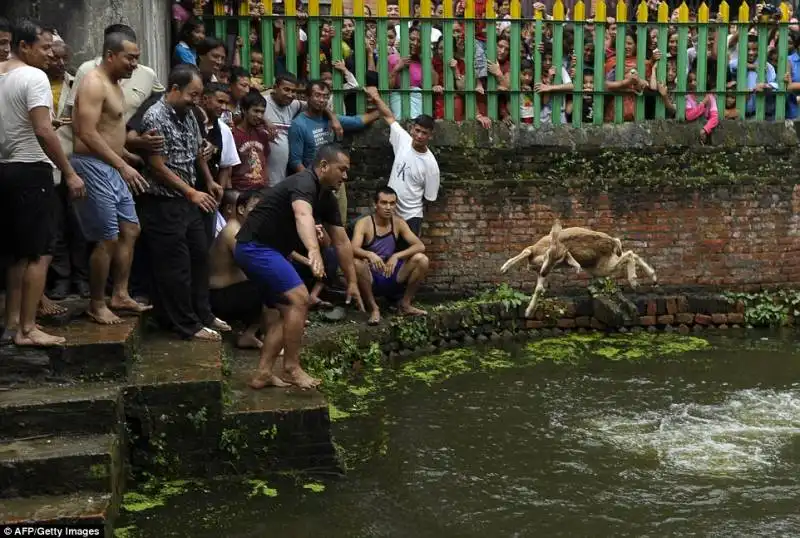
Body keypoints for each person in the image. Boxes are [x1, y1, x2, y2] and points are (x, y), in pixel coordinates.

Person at [235, 143, 364, 390]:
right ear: (324, 166)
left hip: (271, 251)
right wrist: (313, 249)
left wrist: (353, 281)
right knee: (299, 299)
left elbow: (341, 240)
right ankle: (291, 367)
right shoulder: (304, 183)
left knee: (287, 310)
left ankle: (262, 374)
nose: (346, 176)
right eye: (342, 169)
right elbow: (302, 215)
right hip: (255, 247)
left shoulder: (327, 197)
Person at [0, 17, 86, 347]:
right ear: (24, 46)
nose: (50, 54)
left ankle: (11, 323)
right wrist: (68, 171)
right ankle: (27, 328)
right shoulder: (33, 76)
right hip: (31, 168)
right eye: (44, 47)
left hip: (6, 167)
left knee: (16, 253)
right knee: (37, 252)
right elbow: (42, 129)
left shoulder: (3, 73)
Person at [138, 64, 230, 341]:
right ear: (175, 89)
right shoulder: (155, 117)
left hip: (189, 199)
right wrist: (190, 192)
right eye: (192, 94)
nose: (196, 100)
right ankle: (185, 324)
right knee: (174, 266)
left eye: (199, 95)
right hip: (163, 201)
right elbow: (157, 167)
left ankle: (203, 312)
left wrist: (209, 180)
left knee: (200, 256)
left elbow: (197, 150)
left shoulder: (190, 114)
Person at [71, 31, 153, 325]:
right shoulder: (93, 82)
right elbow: (86, 133)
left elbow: (109, 129)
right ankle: (96, 303)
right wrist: (122, 164)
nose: (135, 64)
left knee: (131, 229)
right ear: (110, 55)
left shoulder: (116, 84)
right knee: (107, 237)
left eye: (137, 59)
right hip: (93, 166)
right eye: (130, 58)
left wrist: (126, 156)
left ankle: (120, 293)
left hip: (112, 164)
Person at [288, 81, 380, 222]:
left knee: (339, 223)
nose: (322, 100)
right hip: (314, 183)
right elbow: (295, 161)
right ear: (307, 97)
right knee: (316, 226)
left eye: (325, 96)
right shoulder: (299, 124)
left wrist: (380, 111)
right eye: (317, 95)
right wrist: (311, 183)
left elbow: (357, 121)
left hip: (336, 182)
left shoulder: (330, 119)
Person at [365, 86, 440, 237]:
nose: (419, 136)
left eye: (424, 133)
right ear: (412, 129)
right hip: (389, 212)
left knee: (409, 255)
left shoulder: (431, 165)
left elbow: (429, 198)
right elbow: (389, 117)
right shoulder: (403, 139)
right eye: (417, 130)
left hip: (411, 216)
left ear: (430, 136)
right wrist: (376, 97)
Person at [351, 186, 430, 325]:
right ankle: (374, 308)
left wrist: (396, 256)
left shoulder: (398, 222)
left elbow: (420, 246)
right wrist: (370, 254)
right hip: (371, 277)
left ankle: (405, 304)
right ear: (375, 204)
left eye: (392, 203)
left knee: (422, 260)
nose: (388, 207)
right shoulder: (364, 223)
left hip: (391, 272)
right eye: (384, 203)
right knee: (356, 263)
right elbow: (353, 248)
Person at [209, 190, 269, 349]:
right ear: (242, 210)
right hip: (219, 297)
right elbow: (255, 265)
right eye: (256, 208)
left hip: (231, 292)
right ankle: (257, 334)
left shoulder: (245, 229)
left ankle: (255, 332)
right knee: (271, 284)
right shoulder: (234, 231)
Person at [262, 72, 342, 187]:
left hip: (281, 176)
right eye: (286, 89)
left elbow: (318, 105)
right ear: (274, 88)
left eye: (293, 91)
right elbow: (242, 111)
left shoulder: (293, 105)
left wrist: (333, 118)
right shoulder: (262, 102)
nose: (290, 94)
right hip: (260, 175)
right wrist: (264, 120)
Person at [198, 82, 241, 237]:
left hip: (210, 198)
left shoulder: (224, 130)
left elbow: (225, 166)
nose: (223, 107)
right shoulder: (192, 124)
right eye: (220, 102)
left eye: (226, 103)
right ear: (205, 99)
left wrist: (218, 195)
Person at [230, 91, 271, 191]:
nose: (259, 116)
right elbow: (228, 170)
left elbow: (264, 162)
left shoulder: (262, 135)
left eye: (262, 112)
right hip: (241, 191)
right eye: (256, 111)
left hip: (262, 191)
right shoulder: (233, 135)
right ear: (244, 110)